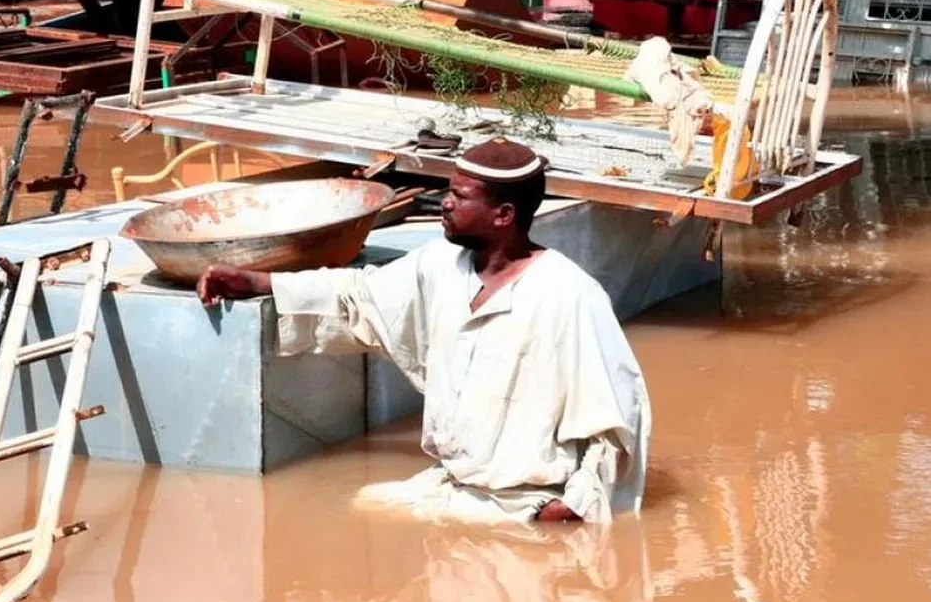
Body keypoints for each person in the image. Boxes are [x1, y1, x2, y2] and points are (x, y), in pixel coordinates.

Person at [196, 137, 651, 525]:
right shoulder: (440, 265)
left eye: (460, 196)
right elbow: (358, 295)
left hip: (529, 507)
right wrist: (258, 282)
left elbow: (617, 418)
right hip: (450, 487)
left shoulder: (569, 294)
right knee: (355, 507)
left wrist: (573, 507)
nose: (445, 203)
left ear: (503, 214)